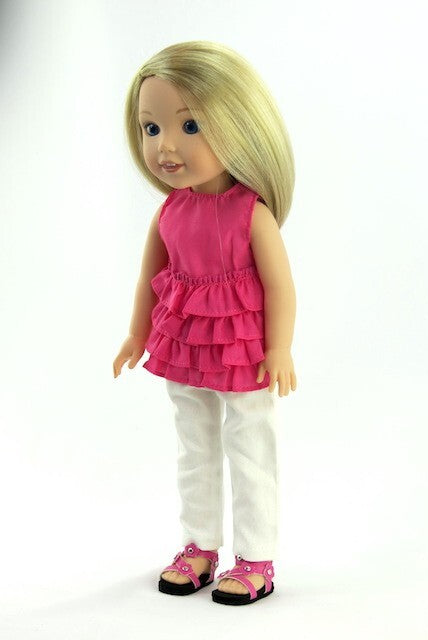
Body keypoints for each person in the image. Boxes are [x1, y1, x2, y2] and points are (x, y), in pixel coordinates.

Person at [113, 40, 297, 606]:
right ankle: (199, 545)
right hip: (184, 345)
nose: (164, 146)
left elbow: (280, 286)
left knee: (250, 446)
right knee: (193, 446)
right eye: (151, 128)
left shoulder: (251, 214)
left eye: (189, 126)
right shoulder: (169, 213)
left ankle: (257, 556)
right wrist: (137, 334)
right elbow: (150, 278)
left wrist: (280, 348)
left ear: (237, 125)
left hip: (244, 351)